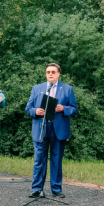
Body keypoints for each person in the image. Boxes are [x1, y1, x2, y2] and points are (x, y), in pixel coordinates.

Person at [25, 63, 78, 198]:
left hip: (58, 129)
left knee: (56, 159)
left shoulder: (67, 89)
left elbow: (74, 109)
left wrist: (64, 109)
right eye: (48, 72)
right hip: (41, 127)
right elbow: (28, 108)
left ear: (58, 74)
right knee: (39, 159)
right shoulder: (37, 88)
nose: (50, 74)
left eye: (53, 72)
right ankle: (37, 188)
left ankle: (56, 189)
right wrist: (35, 111)